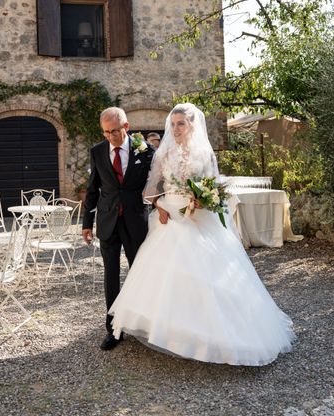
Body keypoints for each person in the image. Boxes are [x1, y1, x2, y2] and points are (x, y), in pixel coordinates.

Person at [108, 103, 295, 365]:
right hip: (170, 217)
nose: (175, 129)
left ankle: (209, 334)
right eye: (172, 124)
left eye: (181, 124)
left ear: (192, 125)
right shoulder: (163, 155)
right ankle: (171, 329)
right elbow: (148, 192)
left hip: (199, 218)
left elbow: (215, 190)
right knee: (167, 274)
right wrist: (159, 205)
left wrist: (202, 201)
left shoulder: (205, 154)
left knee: (209, 274)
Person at [82, 107, 155, 350]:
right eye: (106, 132)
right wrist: (86, 224)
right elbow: (93, 190)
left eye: (115, 131)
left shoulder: (144, 150)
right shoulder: (97, 151)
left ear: (126, 126)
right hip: (107, 222)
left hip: (135, 221)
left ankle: (142, 323)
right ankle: (114, 329)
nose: (111, 136)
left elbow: (158, 183)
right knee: (111, 276)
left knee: (140, 274)